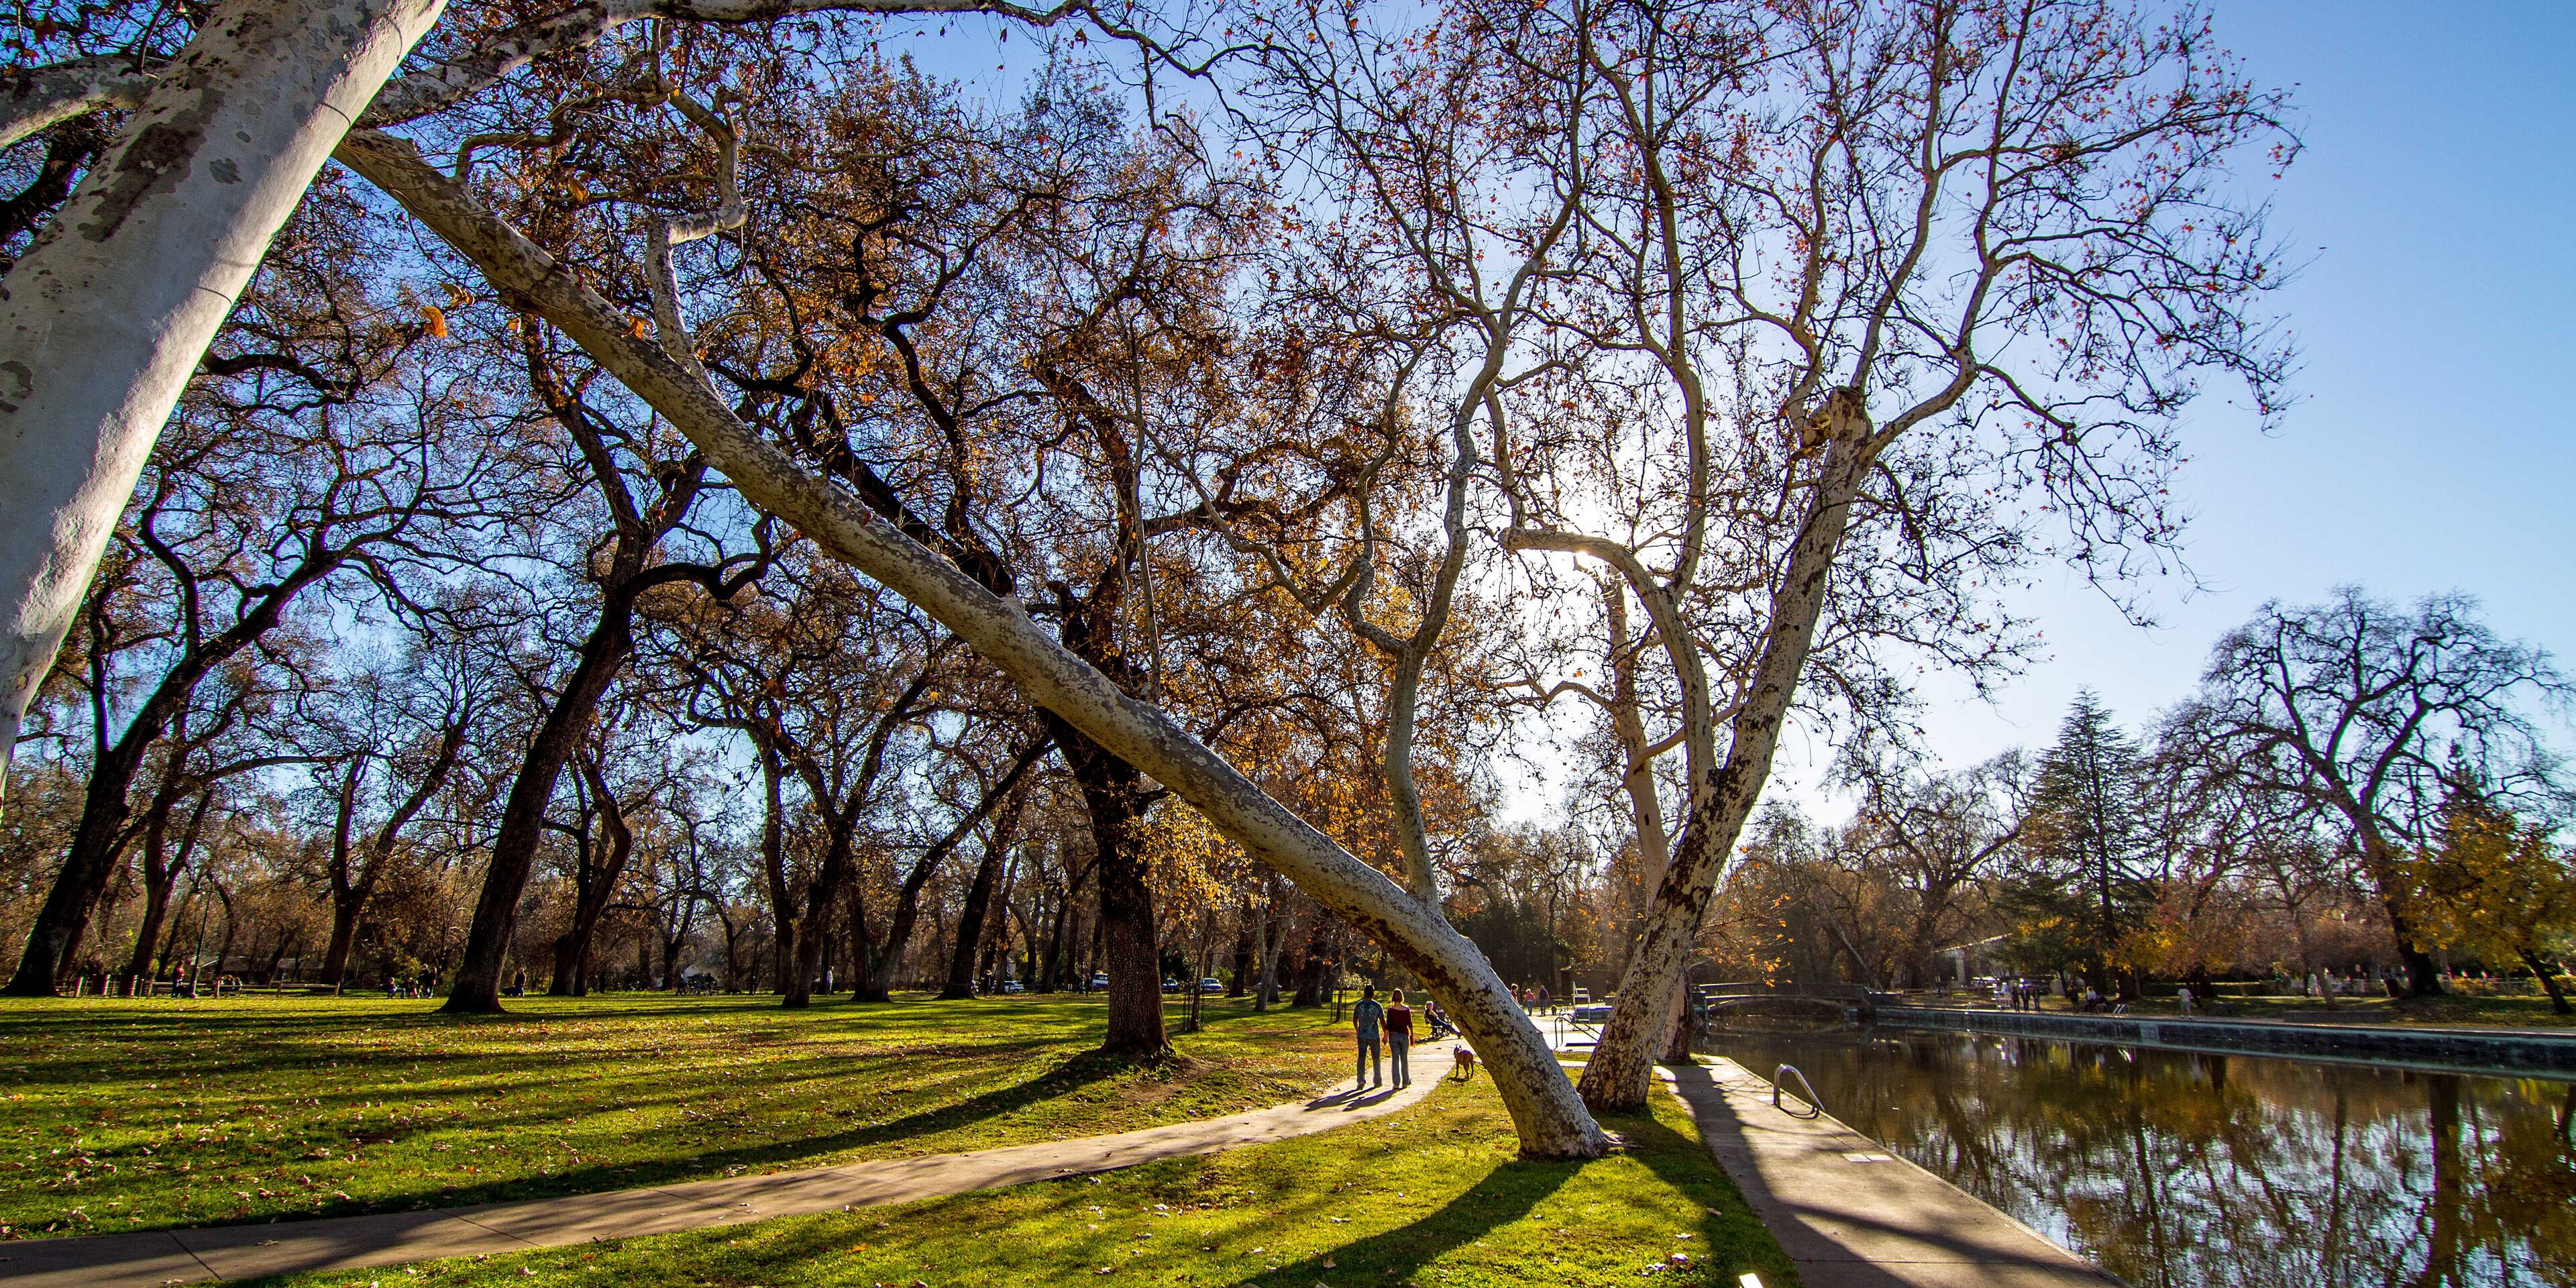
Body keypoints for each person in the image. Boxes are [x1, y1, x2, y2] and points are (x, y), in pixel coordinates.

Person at [1352, 985, 1386, 1089]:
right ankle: (1377, 1081)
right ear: (1373, 993)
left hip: (1362, 1034)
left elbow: (1354, 1019)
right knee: (1376, 1058)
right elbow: (1382, 1021)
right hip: (1374, 1035)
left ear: (1364, 993)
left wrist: (1357, 1029)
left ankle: (1361, 1080)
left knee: (1361, 1057)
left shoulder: (1359, 1005)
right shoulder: (1377, 1006)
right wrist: (1386, 1034)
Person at [1384, 989, 1415, 1089]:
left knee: (1395, 1059)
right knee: (1404, 1059)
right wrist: (1412, 1035)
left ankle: (1396, 1083)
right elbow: (1410, 1024)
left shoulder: (1391, 1010)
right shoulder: (1406, 1010)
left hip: (1394, 1036)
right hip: (1404, 1035)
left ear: (1393, 997)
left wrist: (1386, 1036)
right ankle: (1406, 1081)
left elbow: (1388, 1025)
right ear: (1402, 997)